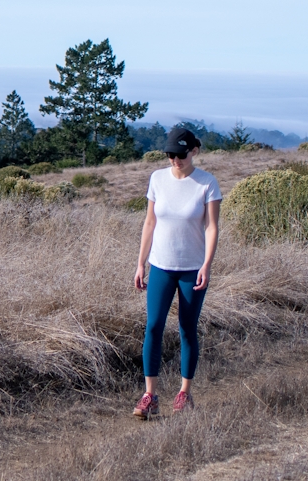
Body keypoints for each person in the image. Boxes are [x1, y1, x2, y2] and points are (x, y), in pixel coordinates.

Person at [131, 126, 222, 419]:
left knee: (186, 329)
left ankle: (184, 393)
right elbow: (149, 223)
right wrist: (140, 263)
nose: (175, 160)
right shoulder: (157, 178)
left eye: (180, 155)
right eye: (170, 155)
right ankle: (149, 395)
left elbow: (211, 227)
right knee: (154, 327)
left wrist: (207, 265)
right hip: (160, 265)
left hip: (192, 269)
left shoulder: (207, 184)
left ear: (193, 151)